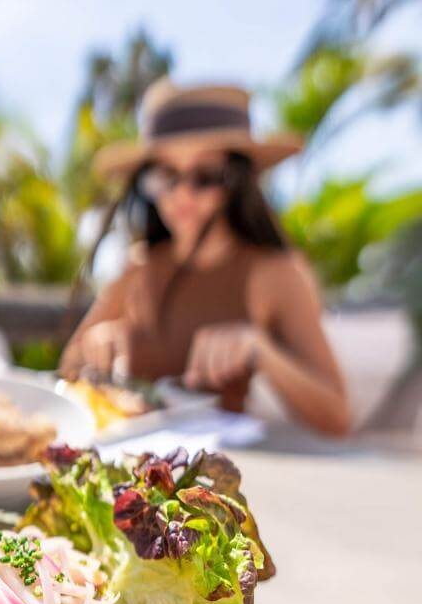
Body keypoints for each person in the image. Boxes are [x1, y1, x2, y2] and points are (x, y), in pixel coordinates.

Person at [60, 80, 351, 436]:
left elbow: (338, 418)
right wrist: (96, 345)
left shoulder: (274, 273)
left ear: (237, 182)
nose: (182, 193)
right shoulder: (139, 266)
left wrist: (262, 351)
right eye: (166, 174)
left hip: (216, 478)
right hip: (128, 468)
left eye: (205, 176)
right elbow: (68, 368)